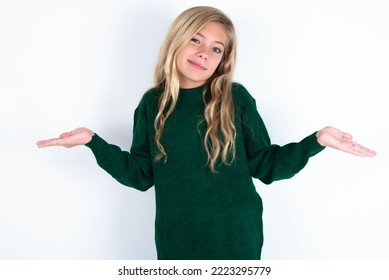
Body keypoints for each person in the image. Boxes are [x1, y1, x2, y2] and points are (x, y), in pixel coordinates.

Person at [36, 6, 376, 260]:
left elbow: (267, 165)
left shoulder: (235, 98)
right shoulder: (152, 104)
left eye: (216, 48)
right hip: (177, 240)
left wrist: (314, 142)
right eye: (195, 40)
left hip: (237, 237)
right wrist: (93, 143)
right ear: (177, 42)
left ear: (222, 60)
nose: (204, 52)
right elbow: (140, 175)